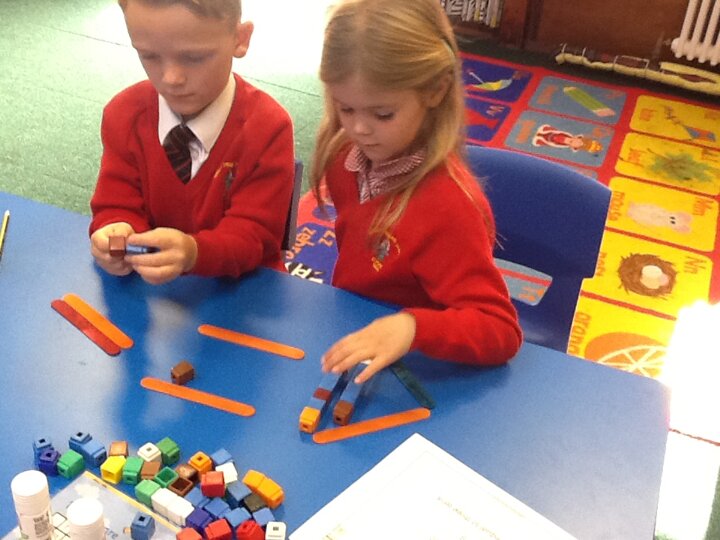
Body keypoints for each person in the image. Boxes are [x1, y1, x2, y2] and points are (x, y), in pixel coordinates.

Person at [312, 0, 522, 384]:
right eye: (346, 109)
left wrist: (412, 327)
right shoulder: (344, 157)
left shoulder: (449, 207)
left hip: (420, 368)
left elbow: (500, 329)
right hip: (357, 334)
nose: (359, 129)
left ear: (436, 90)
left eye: (382, 114)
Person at [89, 0, 295, 285]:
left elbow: (255, 236)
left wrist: (193, 252)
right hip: (153, 289)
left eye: (194, 58)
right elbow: (115, 204)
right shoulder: (123, 115)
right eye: (149, 55)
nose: (171, 78)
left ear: (240, 39)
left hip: (245, 289)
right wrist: (115, 233)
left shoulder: (268, 127)